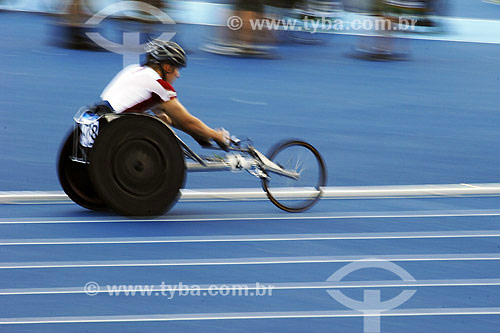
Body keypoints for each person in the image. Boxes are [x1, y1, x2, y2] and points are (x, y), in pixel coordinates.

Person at [100, 39, 229, 148]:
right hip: (115, 131)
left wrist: (199, 134)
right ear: (167, 67)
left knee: (163, 119)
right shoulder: (159, 85)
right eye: (177, 69)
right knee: (161, 125)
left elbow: (169, 117)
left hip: (99, 121)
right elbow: (187, 121)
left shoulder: (132, 70)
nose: (178, 75)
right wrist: (216, 136)